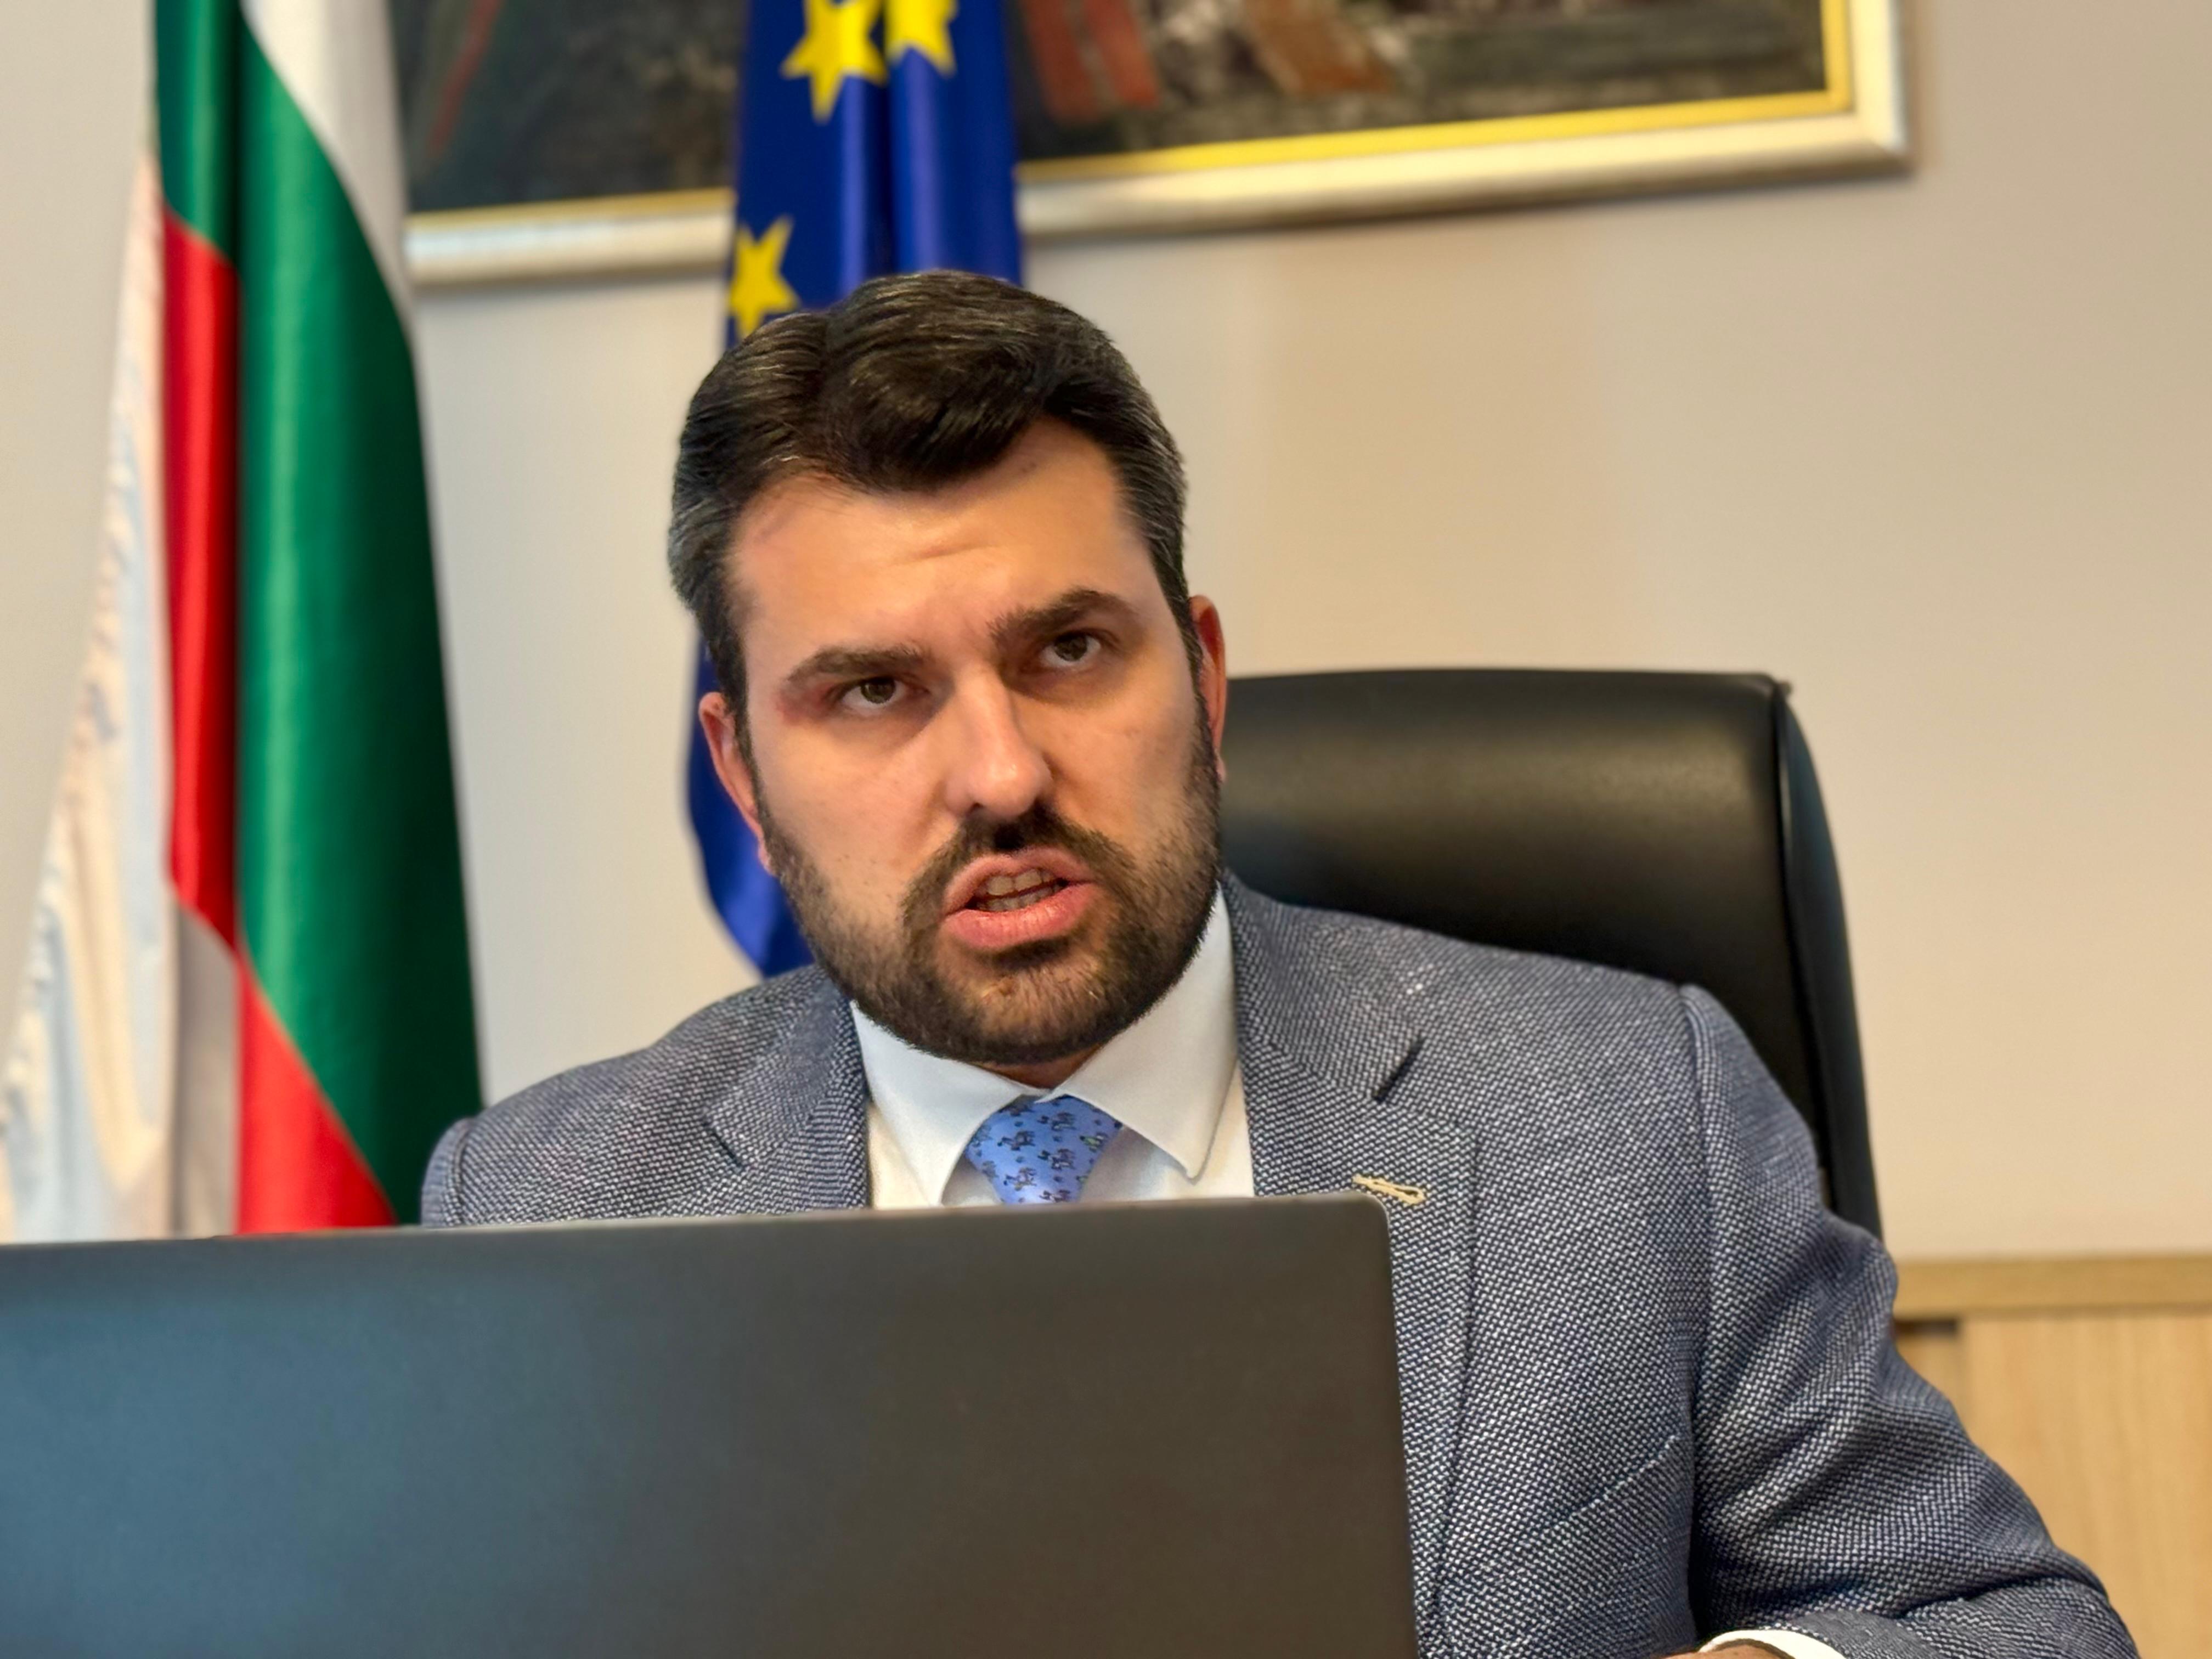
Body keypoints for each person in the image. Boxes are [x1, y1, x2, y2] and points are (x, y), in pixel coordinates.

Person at [422, 271, 2131, 1659]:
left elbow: (2002, 1625)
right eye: (873, 692)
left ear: (1202, 675)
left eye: (1068, 649)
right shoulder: (549, 1209)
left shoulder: (1627, 1115)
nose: (999, 774)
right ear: (742, 773)